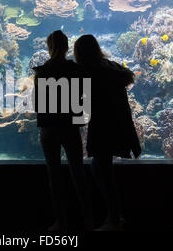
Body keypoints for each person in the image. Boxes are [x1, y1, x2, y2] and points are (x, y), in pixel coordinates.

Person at [74, 34, 141, 231]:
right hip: (118, 125)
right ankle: (114, 217)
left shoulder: (90, 72)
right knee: (104, 170)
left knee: (101, 171)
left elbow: (83, 109)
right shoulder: (111, 68)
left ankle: (114, 219)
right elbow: (123, 105)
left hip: (103, 127)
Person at [33, 30, 93, 231]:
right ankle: (87, 219)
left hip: (49, 129)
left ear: (49, 48)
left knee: (54, 175)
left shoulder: (42, 71)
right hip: (70, 128)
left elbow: (38, 105)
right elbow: (85, 101)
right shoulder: (76, 70)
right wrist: (81, 125)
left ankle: (61, 221)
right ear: (67, 47)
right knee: (78, 173)